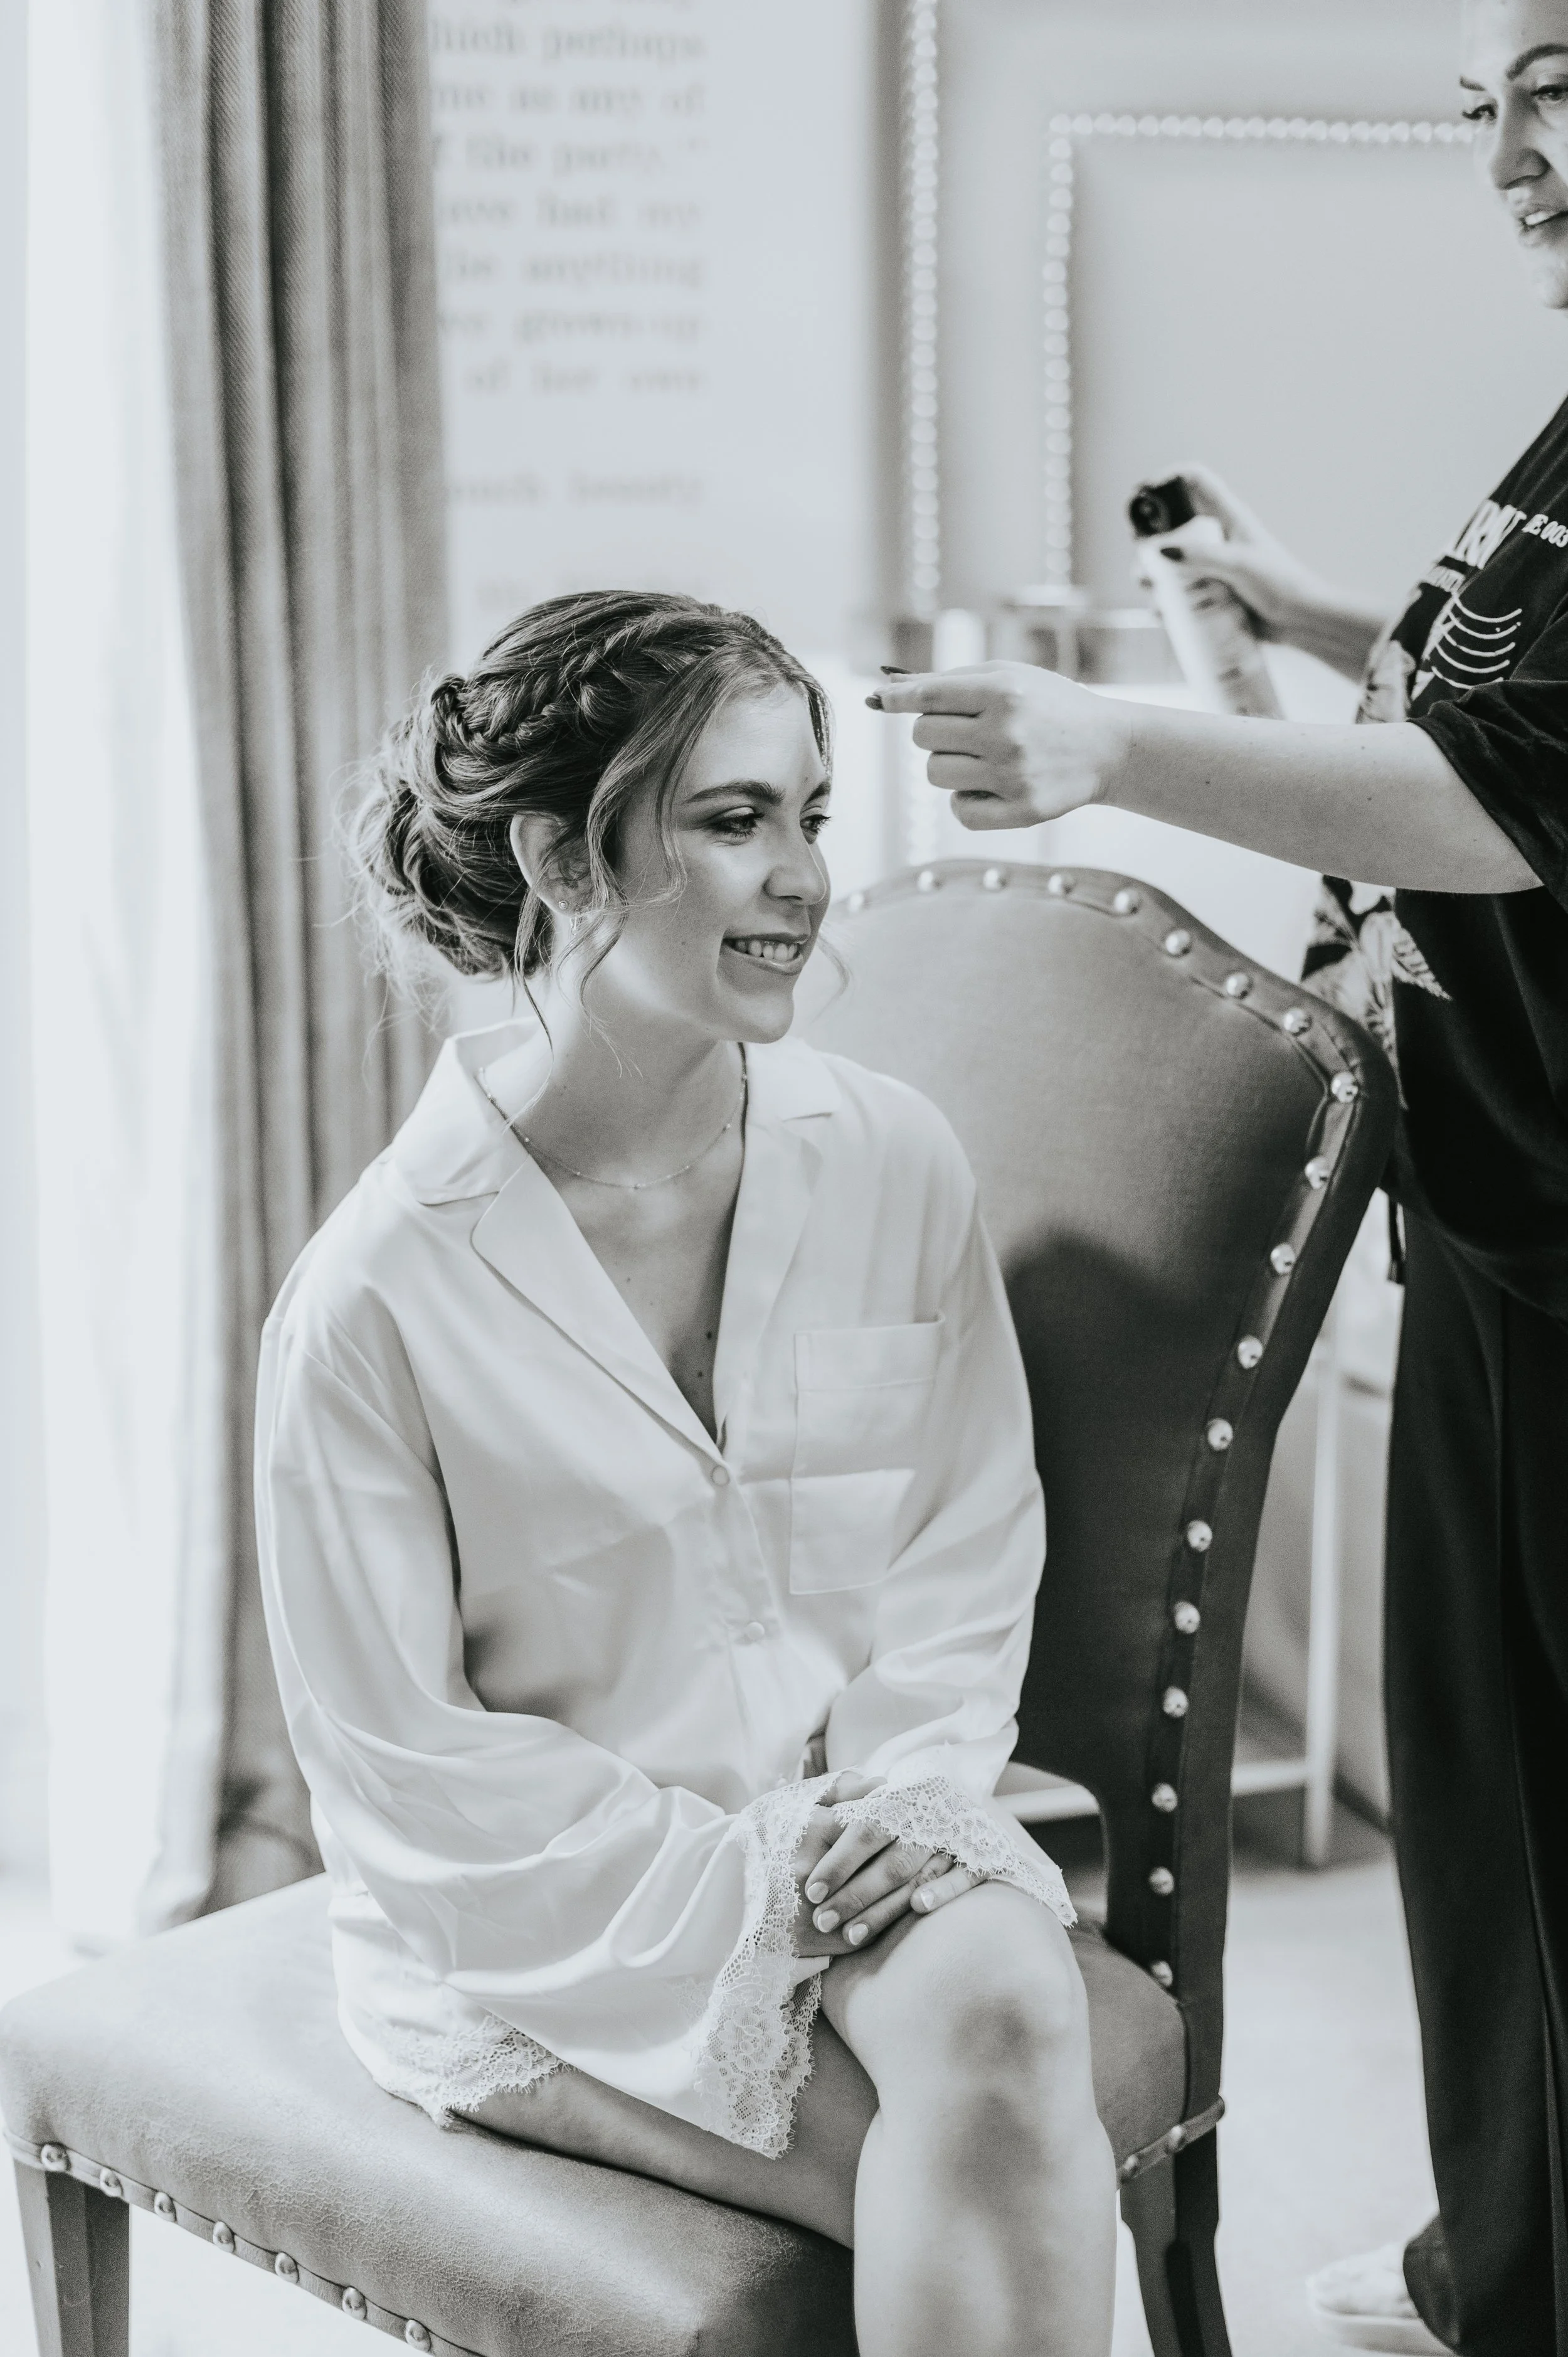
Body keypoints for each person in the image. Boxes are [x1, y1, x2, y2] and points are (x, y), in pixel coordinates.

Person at [871, 6, 1568, 2350]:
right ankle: (1511, 2264)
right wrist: (1312, 614)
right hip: (1499, 1226)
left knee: (1545, 1830)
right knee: (1495, 1831)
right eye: (1485, 108)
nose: (1512, 157)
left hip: (1563, 1258)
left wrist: (1104, 744)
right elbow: (1496, 701)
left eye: (1557, 85)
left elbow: (1492, 806)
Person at [255, 589, 1118, 2357]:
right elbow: (408, 1772)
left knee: (1000, 2012)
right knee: (990, 2150)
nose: (803, 872)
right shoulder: (374, 1295)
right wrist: (760, 1887)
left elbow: (966, 1540)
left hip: (871, 1845)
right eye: (734, 821)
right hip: (535, 1932)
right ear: (564, 856)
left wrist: (902, 1797)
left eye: (809, 811)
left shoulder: (890, 1157)